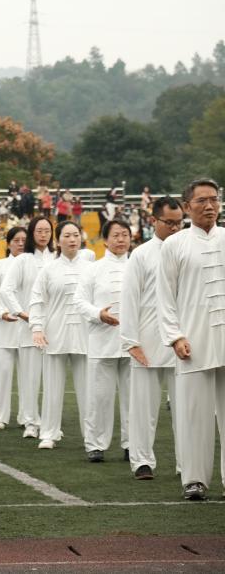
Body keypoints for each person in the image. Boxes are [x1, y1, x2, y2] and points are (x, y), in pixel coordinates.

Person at [157, 178, 225, 500]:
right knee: (194, 414)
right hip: (193, 342)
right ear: (187, 206)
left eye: (214, 199)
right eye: (201, 201)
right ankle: (194, 479)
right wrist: (175, 336)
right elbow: (165, 296)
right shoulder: (175, 245)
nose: (209, 206)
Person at [119, 197, 184, 480]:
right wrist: (130, 341)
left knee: (185, 409)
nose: (175, 228)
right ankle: (142, 461)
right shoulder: (142, 254)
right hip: (146, 340)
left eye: (179, 223)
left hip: (182, 341)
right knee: (144, 408)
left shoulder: (186, 250)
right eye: (169, 222)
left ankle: (187, 464)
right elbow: (129, 299)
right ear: (154, 220)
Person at [30, 220, 90, 450]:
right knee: (52, 387)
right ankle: (49, 432)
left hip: (85, 335)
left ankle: (91, 436)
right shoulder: (48, 269)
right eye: (67, 235)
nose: (72, 239)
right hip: (55, 334)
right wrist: (37, 328)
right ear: (58, 240)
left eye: (76, 235)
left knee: (87, 389)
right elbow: (37, 300)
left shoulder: (91, 268)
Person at [76, 218, 132, 463]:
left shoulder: (137, 266)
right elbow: (79, 301)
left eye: (125, 235)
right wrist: (99, 314)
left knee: (133, 398)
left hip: (133, 343)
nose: (121, 239)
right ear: (105, 240)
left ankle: (133, 443)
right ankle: (95, 444)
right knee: (99, 397)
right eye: (116, 235)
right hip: (101, 341)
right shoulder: (93, 269)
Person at [0, 216, 54, 438]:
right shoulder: (23, 260)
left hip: (55, 328)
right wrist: (22, 314)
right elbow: (6, 290)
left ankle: (50, 423)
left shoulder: (56, 259)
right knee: (30, 378)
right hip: (29, 328)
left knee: (53, 379)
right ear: (32, 233)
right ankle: (31, 422)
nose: (43, 235)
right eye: (39, 231)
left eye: (47, 230)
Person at [0, 226, 27, 430]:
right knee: (1, 376)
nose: (20, 244)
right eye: (16, 240)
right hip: (2, 329)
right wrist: (1, 313)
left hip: (27, 330)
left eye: (24, 240)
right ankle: (0, 415)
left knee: (29, 378)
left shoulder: (34, 266)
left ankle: (27, 416)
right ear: (8, 243)